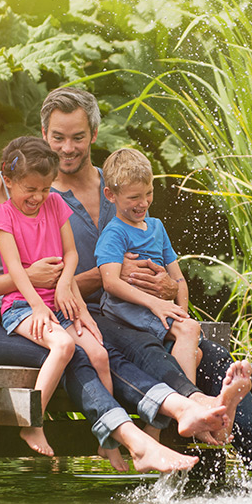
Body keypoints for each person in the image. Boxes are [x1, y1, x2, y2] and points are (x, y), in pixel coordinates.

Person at [0, 106, 239, 474]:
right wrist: (30, 277)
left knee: (99, 348)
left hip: (38, 304)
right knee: (72, 354)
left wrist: (69, 287)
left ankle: (183, 407)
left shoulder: (13, 181)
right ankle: (137, 439)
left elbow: (54, 233)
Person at [40, 86, 252, 488]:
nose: (68, 147)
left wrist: (165, 284)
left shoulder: (122, 184)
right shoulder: (38, 200)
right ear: (44, 135)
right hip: (85, 317)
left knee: (213, 356)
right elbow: (43, 284)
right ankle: (192, 414)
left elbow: (156, 257)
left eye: (77, 136)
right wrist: (111, 275)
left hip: (140, 309)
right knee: (145, 350)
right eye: (58, 137)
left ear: (93, 133)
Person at [0, 136, 112, 457]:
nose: (38, 197)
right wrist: (38, 306)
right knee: (64, 344)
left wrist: (63, 285)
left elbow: (70, 255)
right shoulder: (3, 215)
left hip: (57, 301)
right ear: (8, 180)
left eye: (44, 188)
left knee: (99, 355)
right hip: (22, 306)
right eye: (30, 189)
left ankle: (106, 434)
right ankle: (31, 421)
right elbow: (15, 270)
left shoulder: (56, 203)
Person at [96, 148, 202, 386]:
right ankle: (191, 404)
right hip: (127, 310)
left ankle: (160, 423)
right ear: (110, 195)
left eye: (149, 193)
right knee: (189, 330)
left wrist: (180, 312)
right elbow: (110, 282)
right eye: (133, 197)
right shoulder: (114, 233)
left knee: (195, 350)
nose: (143, 203)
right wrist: (157, 304)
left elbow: (178, 280)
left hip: (155, 309)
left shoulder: (157, 227)